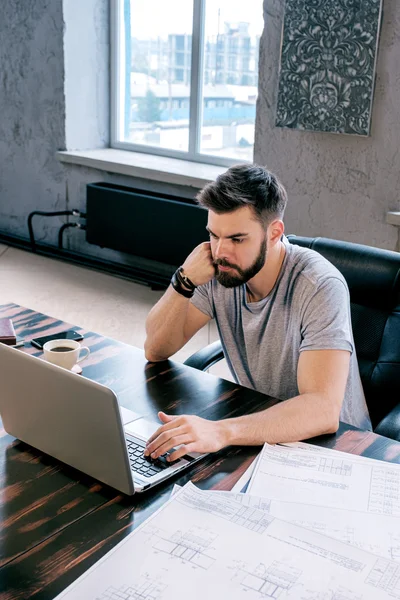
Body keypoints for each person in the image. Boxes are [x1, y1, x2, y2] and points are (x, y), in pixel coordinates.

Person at [144, 164, 371, 463]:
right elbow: (156, 349)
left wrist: (222, 432)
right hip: (261, 430)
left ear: (274, 232)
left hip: (334, 449)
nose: (220, 251)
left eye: (237, 239)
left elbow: (322, 410)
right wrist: (184, 279)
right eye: (214, 235)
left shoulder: (318, 285)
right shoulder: (220, 269)